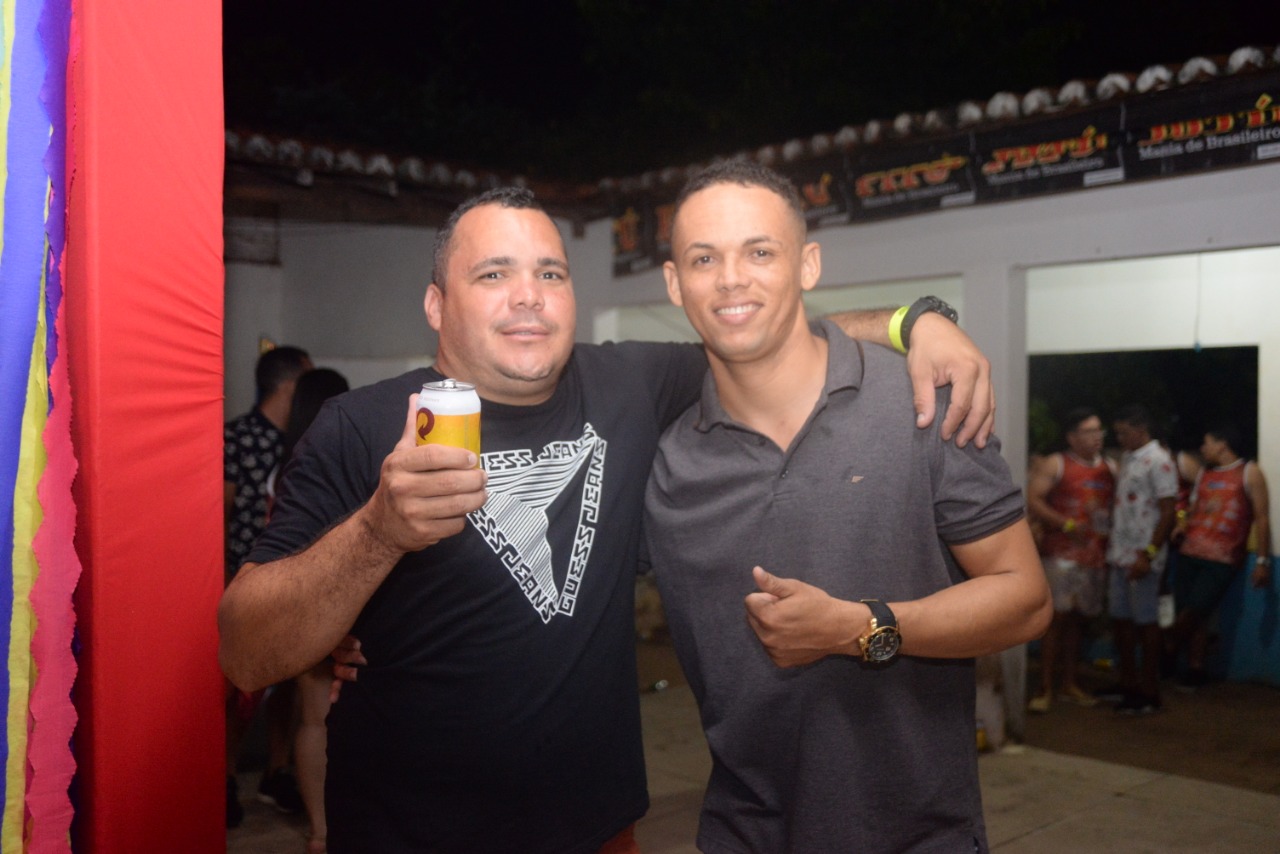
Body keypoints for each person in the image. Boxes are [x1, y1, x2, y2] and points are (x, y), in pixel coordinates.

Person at [218, 186, 996, 854]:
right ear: (436, 304)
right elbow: (245, 654)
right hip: (409, 834)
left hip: (598, 829)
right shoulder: (360, 428)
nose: (529, 295)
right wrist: (376, 534)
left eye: (550, 273)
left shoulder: (629, 383)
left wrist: (917, 322)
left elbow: (771, 337)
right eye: (493, 273)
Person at [643, 162, 1051, 852]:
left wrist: (861, 628)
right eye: (704, 258)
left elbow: (1026, 599)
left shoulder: (923, 405)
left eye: (760, 252)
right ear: (675, 282)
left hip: (918, 835)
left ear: (807, 265)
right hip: (744, 833)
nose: (731, 278)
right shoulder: (664, 466)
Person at [224, 344, 312, 827]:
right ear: (289, 385)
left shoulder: (302, 439)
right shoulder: (237, 437)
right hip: (243, 578)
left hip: (295, 581)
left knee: (291, 684)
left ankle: (277, 771)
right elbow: (220, 511)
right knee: (237, 687)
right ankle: (225, 775)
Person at [277, 368, 352, 854]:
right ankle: (329, 830)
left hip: (291, 589)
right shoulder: (342, 453)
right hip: (339, 593)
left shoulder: (285, 458)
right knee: (331, 716)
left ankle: (319, 830)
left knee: (311, 716)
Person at [1167, 425, 1271, 690]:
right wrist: (1182, 523)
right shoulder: (1204, 473)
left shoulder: (1249, 472)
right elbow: (1193, 508)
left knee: (1194, 610)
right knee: (1193, 613)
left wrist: (1262, 561)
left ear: (1222, 444)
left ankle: (1165, 650)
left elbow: (1262, 517)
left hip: (1223, 557)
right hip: (1190, 551)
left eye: (1207, 443)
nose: (1203, 449)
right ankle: (1196, 667)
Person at [1025, 407, 1115, 712]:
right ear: (1072, 437)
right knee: (1056, 620)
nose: (1097, 437)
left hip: (1094, 556)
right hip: (1060, 556)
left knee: (1078, 621)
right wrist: (1064, 524)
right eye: (1089, 431)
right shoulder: (1057, 463)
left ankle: (1069, 683)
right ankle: (1044, 687)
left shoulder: (1110, 467)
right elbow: (1033, 499)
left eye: (1099, 430)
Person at [1104, 404, 1178, 715]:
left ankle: (1149, 690)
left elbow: (1168, 512)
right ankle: (1128, 682)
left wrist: (1149, 554)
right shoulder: (1129, 458)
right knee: (1121, 619)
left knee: (1146, 622)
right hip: (1120, 553)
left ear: (1141, 429)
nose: (1120, 438)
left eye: (1124, 433)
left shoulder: (1159, 460)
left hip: (1143, 557)